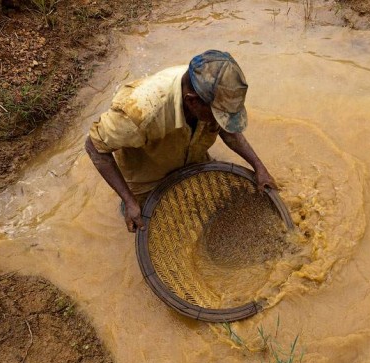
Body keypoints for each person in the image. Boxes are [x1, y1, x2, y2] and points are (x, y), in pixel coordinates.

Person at [85, 50, 277, 233]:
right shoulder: (139, 113)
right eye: (217, 116)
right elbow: (94, 147)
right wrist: (129, 201)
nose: (220, 123)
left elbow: (229, 130)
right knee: (155, 225)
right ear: (192, 101)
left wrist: (259, 167)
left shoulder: (211, 86)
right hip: (148, 179)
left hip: (192, 158)